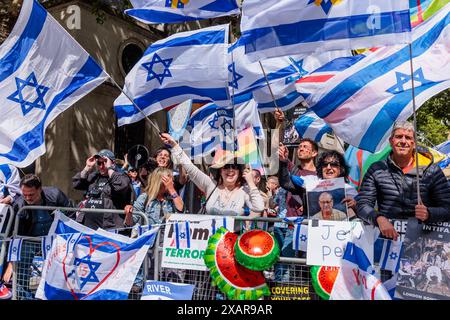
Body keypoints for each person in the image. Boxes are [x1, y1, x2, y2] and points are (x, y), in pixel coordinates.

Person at [357, 121, 450, 240]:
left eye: (408, 137)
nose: (403, 141)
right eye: (398, 136)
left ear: (414, 143)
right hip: (387, 238)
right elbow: (363, 204)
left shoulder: (432, 171)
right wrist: (378, 218)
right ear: (391, 142)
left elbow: (447, 208)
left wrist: (429, 213)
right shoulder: (376, 169)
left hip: (421, 242)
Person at [160, 133, 264, 230]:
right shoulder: (211, 185)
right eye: (226, 166)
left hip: (232, 242)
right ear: (220, 171)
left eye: (235, 167)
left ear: (239, 172)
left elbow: (259, 207)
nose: (231, 170)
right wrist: (174, 145)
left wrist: (251, 183)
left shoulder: (244, 191)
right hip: (207, 241)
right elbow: (190, 169)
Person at [12, 174, 71, 299]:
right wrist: (10, 263)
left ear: (40, 189)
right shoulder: (19, 204)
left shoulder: (55, 195)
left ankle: (56, 294)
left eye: (31, 194)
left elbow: (71, 215)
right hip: (30, 239)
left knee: (60, 265)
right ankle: (23, 295)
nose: (27, 198)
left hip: (55, 239)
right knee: (21, 260)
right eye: (24, 194)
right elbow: (15, 233)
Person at [124, 167, 184, 285]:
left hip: (168, 245)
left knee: (168, 279)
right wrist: (128, 213)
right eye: (169, 179)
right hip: (150, 247)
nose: (172, 181)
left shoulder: (172, 197)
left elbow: (181, 209)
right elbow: (130, 223)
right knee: (149, 279)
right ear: (160, 181)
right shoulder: (145, 198)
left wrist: (172, 189)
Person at [279, 148, 358, 217]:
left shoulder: (349, 189)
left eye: (334, 164)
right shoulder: (311, 182)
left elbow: (362, 211)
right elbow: (286, 183)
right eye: (325, 164)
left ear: (341, 169)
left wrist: (355, 205)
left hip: (339, 232)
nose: (328, 167)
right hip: (314, 231)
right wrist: (283, 162)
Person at [72, 149, 133, 230]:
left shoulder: (121, 177)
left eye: (104, 162)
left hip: (108, 228)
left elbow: (121, 186)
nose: (101, 166)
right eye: (99, 163)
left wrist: (110, 168)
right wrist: (87, 167)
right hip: (88, 226)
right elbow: (76, 184)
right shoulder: (94, 176)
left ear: (112, 163)